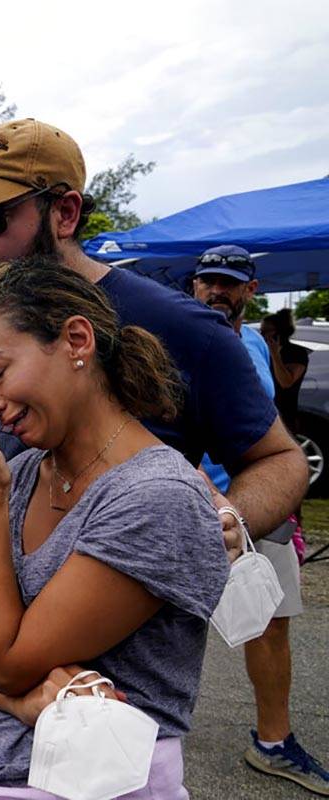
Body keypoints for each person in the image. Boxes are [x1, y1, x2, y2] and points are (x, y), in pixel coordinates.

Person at [0, 118, 307, 713]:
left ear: (64, 214)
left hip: (94, 683)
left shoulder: (181, 328)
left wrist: (225, 516)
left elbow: (281, 458)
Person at [0, 256, 229, 799]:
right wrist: (22, 703)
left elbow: (6, 661)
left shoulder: (154, 497)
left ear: (76, 341)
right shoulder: (29, 469)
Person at [190, 248, 329, 795]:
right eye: (208, 282)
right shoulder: (176, 335)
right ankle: (127, 742)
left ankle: (273, 742)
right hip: (191, 506)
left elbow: (269, 424)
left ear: (251, 290)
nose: (217, 291)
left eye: (230, 283)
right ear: (194, 285)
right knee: (151, 624)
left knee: (271, 622)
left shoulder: (252, 341)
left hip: (256, 508)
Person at [262, 308, 309, 437]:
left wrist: (275, 355)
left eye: (266, 331)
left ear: (280, 333)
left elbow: (286, 382)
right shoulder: (262, 351)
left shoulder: (296, 353)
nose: (262, 335)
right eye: (261, 331)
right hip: (263, 413)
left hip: (284, 415)